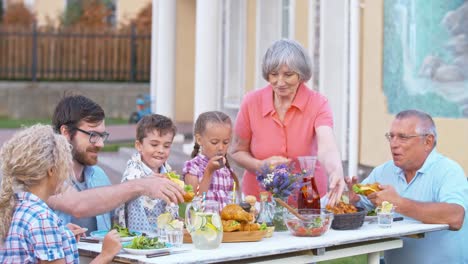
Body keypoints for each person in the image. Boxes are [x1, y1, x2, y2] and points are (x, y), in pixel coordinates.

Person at [230, 39, 345, 205]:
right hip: (260, 201)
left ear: (301, 75)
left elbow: (327, 146)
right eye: (274, 74)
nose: (280, 82)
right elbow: (237, 152)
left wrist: (336, 171)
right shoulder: (251, 102)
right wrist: (260, 165)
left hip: (307, 200)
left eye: (288, 74)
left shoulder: (318, 103)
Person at [47, 95, 184, 234]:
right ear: (66, 132)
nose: (101, 143)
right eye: (92, 135)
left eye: (102, 136)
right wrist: (142, 185)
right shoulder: (44, 173)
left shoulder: (99, 176)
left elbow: (119, 221)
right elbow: (77, 205)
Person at [347, 109, 468, 264]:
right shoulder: (384, 171)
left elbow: (455, 217)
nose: (393, 144)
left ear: (428, 142)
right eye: (391, 136)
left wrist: (398, 203)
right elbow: (360, 205)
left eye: (403, 137)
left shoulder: (448, 171)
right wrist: (352, 202)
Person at [0, 124, 121, 263]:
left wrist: (62, 234)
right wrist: (105, 254)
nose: (67, 172)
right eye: (64, 164)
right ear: (51, 170)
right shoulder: (42, 220)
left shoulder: (15, 206)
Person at [115, 114, 178, 232]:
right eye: (154, 144)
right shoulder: (133, 173)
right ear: (139, 146)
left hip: (164, 235)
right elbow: (127, 198)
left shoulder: (167, 171)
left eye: (166, 146)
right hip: (139, 237)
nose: (160, 150)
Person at [183, 111, 241, 209]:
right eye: (214, 142)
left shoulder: (227, 170)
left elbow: (233, 202)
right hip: (203, 223)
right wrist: (209, 171)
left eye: (226, 142)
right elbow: (195, 202)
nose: (221, 147)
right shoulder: (193, 167)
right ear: (199, 139)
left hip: (223, 224)